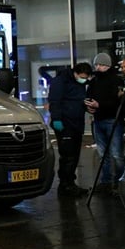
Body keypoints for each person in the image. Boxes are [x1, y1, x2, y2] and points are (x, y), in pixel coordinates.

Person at [47, 62, 93, 197]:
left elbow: (78, 100)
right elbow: (54, 101)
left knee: (74, 155)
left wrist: (86, 107)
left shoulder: (79, 83)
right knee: (68, 156)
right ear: (75, 73)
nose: (84, 80)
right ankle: (65, 185)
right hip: (65, 124)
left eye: (86, 78)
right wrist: (56, 119)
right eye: (82, 77)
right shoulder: (60, 81)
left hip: (76, 123)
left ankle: (70, 183)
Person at [86, 53, 124, 193]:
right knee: (103, 155)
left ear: (108, 66)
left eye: (101, 65)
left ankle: (120, 182)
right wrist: (88, 106)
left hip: (112, 119)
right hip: (98, 120)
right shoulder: (94, 81)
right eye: (96, 65)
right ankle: (106, 182)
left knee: (116, 154)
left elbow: (118, 102)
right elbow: (88, 96)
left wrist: (99, 105)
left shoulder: (115, 81)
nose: (98, 67)